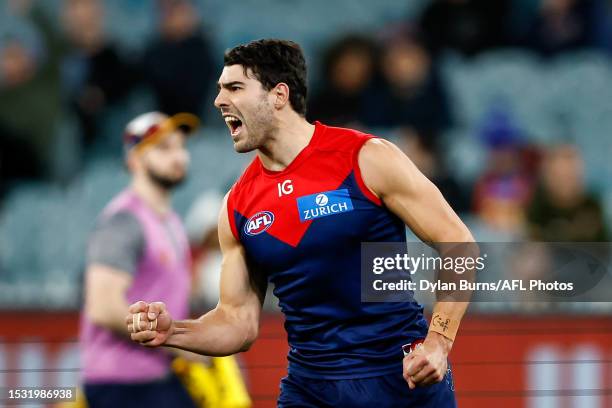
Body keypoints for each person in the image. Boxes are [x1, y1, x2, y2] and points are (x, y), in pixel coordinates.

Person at [127, 39, 475, 407]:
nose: (218, 101)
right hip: (311, 389)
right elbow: (237, 322)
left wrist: (438, 342)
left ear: (278, 95)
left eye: (234, 87)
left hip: (401, 379)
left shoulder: (366, 158)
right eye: (218, 90)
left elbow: (458, 242)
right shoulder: (237, 206)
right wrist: (173, 331)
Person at [80, 111, 200, 407]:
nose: (179, 156)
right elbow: (103, 306)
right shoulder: (124, 220)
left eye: (180, 146)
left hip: (154, 375)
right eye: (163, 148)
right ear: (134, 160)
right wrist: (179, 342)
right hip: (121, 382)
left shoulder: (169, 220)